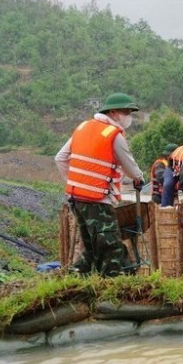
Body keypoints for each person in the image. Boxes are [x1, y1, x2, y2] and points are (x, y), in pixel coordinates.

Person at [55, 93, 144, 277]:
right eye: (126, 112)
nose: (128, 117)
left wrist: (75, 182)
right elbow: (130, 168)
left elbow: (60, 158)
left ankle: (79, 280)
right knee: (110, 245)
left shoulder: (83, 128)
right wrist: (139, 178)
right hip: (98, 201)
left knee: (90, 245)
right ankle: (113, 282)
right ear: (113, 112)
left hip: (76, 198)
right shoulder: (113, 135)